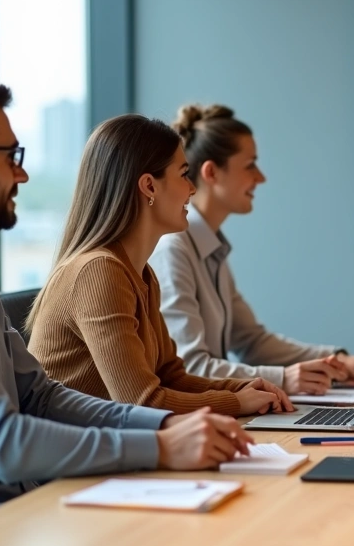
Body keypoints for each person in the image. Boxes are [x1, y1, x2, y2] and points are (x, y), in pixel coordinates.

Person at [0, 73, 252, 526]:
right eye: (11, 156)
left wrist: (161, 425)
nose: (23, 173)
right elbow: (2, 443)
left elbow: (39, 397)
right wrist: (158, 445)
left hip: (18, 508)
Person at [27, 114, 291, 418]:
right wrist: (237, 403)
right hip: (74, 456)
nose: (192, 189)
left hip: (113, 445)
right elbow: (141, 403)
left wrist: (241, 388)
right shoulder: (99, 271)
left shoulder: (141, 273)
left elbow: (171, 376)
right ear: (149, 186)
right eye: (183, 174)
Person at [149, 104, 354, 396]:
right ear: (211, 173)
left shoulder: (212, 247)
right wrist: (283, 379)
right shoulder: (174, 249)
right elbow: (191, 367)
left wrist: (337, 362)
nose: (260, 178)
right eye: (250, 165)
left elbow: (251, 341)